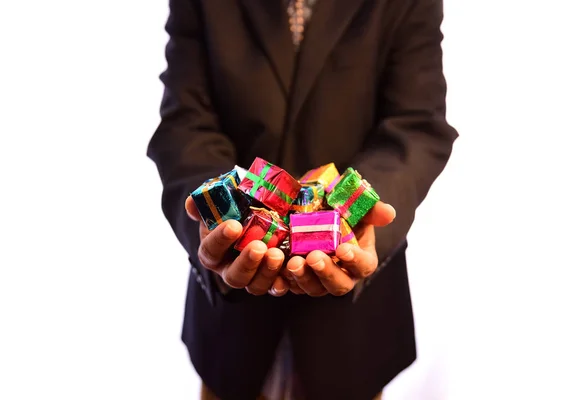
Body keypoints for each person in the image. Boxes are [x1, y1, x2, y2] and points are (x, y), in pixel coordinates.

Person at [147, 0, 458, 399]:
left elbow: (417, 125)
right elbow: (184, 122)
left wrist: (363, 217)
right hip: (230, 324)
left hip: (355, 330)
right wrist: (215, 219)